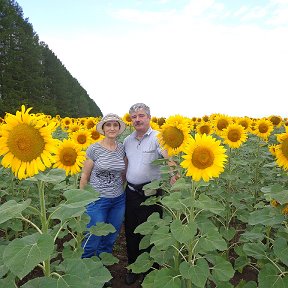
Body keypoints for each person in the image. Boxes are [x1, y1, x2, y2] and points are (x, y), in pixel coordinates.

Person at [123, 103, 177, 285]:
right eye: (134, 117)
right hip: (130, 192)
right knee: (131, 231)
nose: (137, 120)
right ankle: (133, 267)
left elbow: (168, 157)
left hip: (151, 193)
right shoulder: (128, 140)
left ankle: (150, 270)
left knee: (151, 232)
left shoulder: (158, 137)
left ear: (149, 117)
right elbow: (126, 164)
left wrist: (173, 174)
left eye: (141, 116)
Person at [79, 113, 126, 286]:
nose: (112, 128)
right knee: (92, 239)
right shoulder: (94, 149)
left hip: (118, 200)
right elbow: (85, 174)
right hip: (97, 200)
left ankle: (100, 275)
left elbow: (123, 171)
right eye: (108, 125)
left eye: (115, 125)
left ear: (119, 128)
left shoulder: (122, 148)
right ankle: (84, 274)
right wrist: (82, 199)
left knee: (109, 239)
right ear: (103, 129)